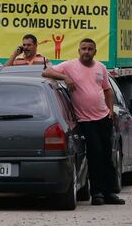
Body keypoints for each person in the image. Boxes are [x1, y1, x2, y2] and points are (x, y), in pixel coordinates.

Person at [42, 38, 124, 206]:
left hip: (103, 117)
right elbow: (46, 73)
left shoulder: (100, 67)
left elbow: (107, 90)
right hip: (85, 120)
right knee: (95, 154)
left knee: (107, 156)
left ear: (95, 51)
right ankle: (97, 193)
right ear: (79, 51)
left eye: (90, 49)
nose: (86, 52)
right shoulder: (70, 66)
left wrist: (110, 110)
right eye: (84, 49)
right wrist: (65, 78)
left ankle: (109, 193)